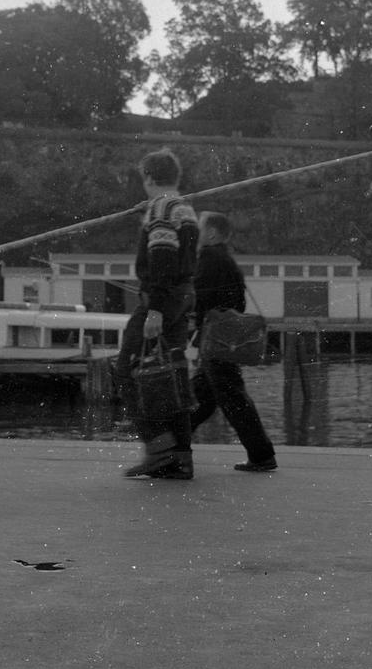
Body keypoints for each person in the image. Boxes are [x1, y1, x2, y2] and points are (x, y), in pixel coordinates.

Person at [113, 148, 199, 480]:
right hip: (183, 296)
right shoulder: (183, 208)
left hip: (162, 299)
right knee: (171, 374)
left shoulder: (162, 209)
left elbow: (162, 258)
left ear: (148, 177)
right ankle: (180, 459)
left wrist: (156, 310)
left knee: (126, 369)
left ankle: (159, 448)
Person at [189, 211, 277, 472]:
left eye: (199, 227)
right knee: (204, 398)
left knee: (231, 397)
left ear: (212, 234)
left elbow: (200, 296)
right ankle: (172, 443)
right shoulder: (227, 260)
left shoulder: (208, 257)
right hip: (226, 341)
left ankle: (261, 456)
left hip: (216, 342)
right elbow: (238, 303)